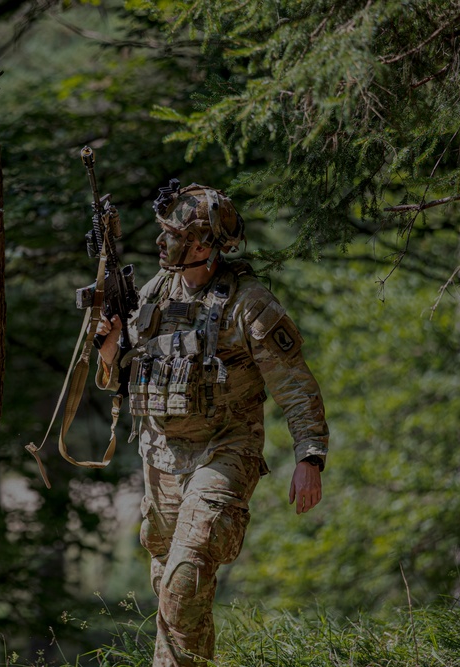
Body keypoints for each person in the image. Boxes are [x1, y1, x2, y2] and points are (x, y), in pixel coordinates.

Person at [94, 179, 329, 666]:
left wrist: (310, 456)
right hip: (160, 454)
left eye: (171, 235)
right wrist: (111, 343)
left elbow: (294, 382)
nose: (161, 242)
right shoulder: (157, 292)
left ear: (202, 245)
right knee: (170, 587)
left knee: (184, 581)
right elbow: (121, 372)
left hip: (226, 448)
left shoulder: (249, 303)